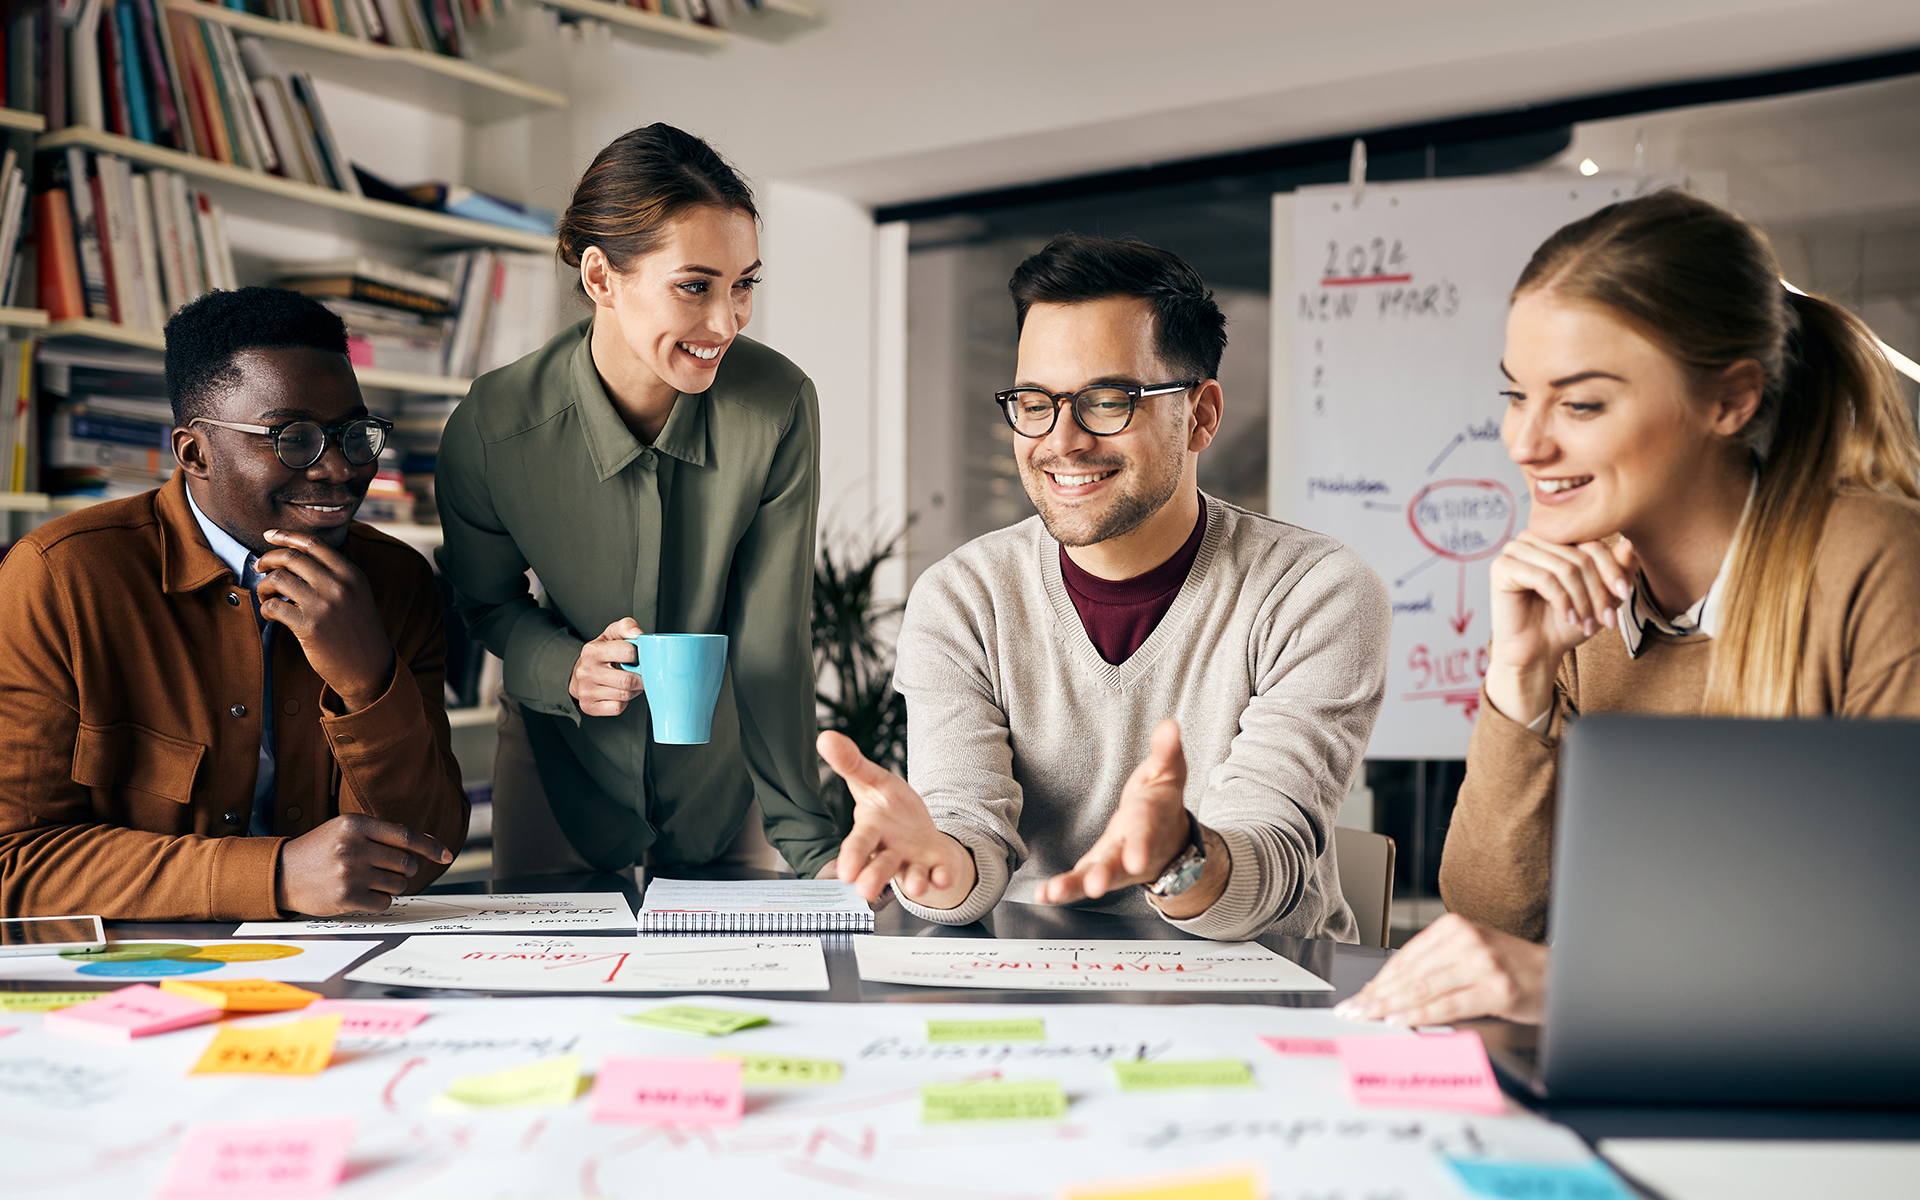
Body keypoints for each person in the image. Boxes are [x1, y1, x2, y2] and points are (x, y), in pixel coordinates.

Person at [1338, 188, 1920, 1026]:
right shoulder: (1587, 602)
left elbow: (1887, 959)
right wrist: (1520, 678)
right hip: (1630, 1078)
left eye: (1579, 404)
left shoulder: (1876, 564)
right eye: (1515, 395)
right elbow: (1490, 927)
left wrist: (1571, 988)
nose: (1526, 443)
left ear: (1730, 401)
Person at [818, 234, 1390, 941]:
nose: (1063, 441)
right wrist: (941, 863)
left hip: (1255, 992)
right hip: (1031, 991)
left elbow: (1271, 861)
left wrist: (1178, 859)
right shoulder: (963, 598)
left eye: (1108, 400)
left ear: (1202, 416)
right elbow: (966, 831)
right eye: (1035, 401)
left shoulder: (1316, 593)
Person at [435, 124, 842, 880]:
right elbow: (484, 604)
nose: (726, 322)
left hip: (729, 775)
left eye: (744, 284)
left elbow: (771, 636)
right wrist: (565, 668)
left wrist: (811, 846)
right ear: (601, 278)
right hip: (562, 764)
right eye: (695, 286)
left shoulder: (778, 404)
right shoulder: (495, 426)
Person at [0, 287, 468, 920]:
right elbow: (12, 863)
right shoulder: (60, 576)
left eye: (354, 434)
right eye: (292, 438)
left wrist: (367, 682)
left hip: (336, 971)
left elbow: (426, 852)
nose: (339, 468)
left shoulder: (396, 581)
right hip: (139, 976)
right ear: (195, 453)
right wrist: (271, 877)